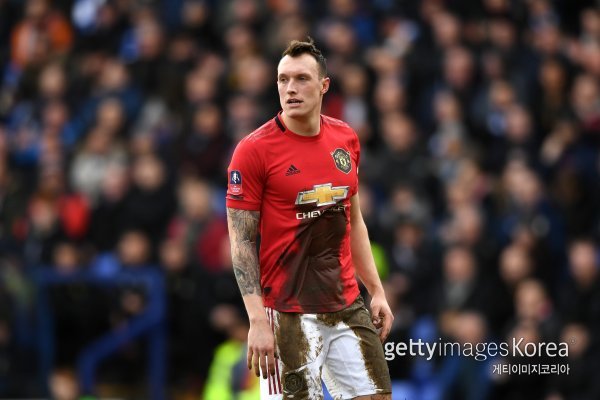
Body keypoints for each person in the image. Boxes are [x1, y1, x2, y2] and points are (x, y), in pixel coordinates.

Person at [225, 38, 393, 399]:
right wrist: (257, 320)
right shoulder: (253, 150)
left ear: (324, 85)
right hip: (286, 311)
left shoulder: (345, 139)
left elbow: (354, 221)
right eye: (283, 79)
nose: (290, 88)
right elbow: (241, 242)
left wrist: (376, 290)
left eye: (301, 78)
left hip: (345, 303)